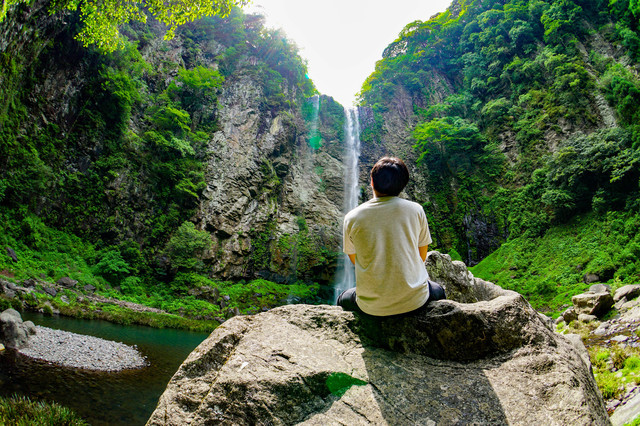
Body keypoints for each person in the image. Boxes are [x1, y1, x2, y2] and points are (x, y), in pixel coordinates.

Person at [337, 156, 445, 316]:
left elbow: (356, 260)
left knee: (342, 299)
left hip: (370, 307)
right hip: (415, 301)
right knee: (438, 290)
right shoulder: (416, 210)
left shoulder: (352, 217)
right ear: (403, 184)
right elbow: (421, 256)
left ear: (372, 182)